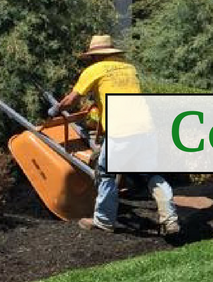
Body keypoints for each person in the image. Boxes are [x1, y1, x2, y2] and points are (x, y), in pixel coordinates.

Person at [52, 35, 180, 235]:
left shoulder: (94, 70)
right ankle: (170, 219)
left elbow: (72, 100)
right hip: (145, 128)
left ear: (94, 56)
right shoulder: (129, 68)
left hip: (121, 129)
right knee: (151, 174)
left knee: (105, 173)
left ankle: (103, 220)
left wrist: (56, 109)